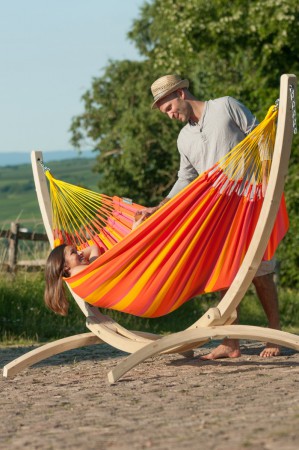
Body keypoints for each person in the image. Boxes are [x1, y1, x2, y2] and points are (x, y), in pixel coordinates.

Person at [140, 74, 280, 359]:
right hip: (216, 213)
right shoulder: (184, 138)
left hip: (250, 202)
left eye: (168, 109)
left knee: (261, 272)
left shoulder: (226, 106)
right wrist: (161, 206)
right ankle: (230, 341)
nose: (169, 116)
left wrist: (269, 179)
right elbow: (185, 178)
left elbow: (261, 136)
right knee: (223, 274)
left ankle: (275, 332)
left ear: (180, 93)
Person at [44, 244, 100, 316]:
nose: (81, 252)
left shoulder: (77, 276)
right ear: (65, 266)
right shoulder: (75, 272)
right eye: (73, 252)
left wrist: (77, 255)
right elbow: (94, 251)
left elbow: (94, 248)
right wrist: (79, 256)